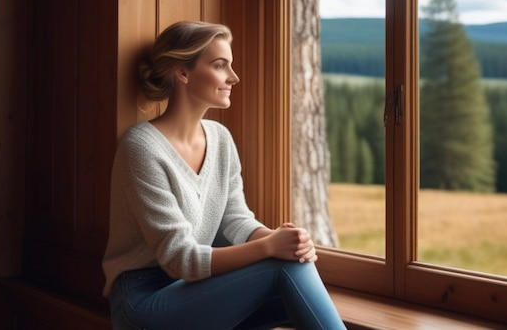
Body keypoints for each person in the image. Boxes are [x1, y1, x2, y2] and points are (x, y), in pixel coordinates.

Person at [102, 21, 346, 330]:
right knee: (282, 271)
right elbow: (181, 259)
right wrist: (269, 248)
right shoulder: (141, 147)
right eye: (220, 66)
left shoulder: (220, 138)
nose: (234, 77)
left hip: (197, 289)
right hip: (143, 301)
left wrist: (282, 240)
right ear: (183, 72)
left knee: (295, 265)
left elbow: (236, 220)